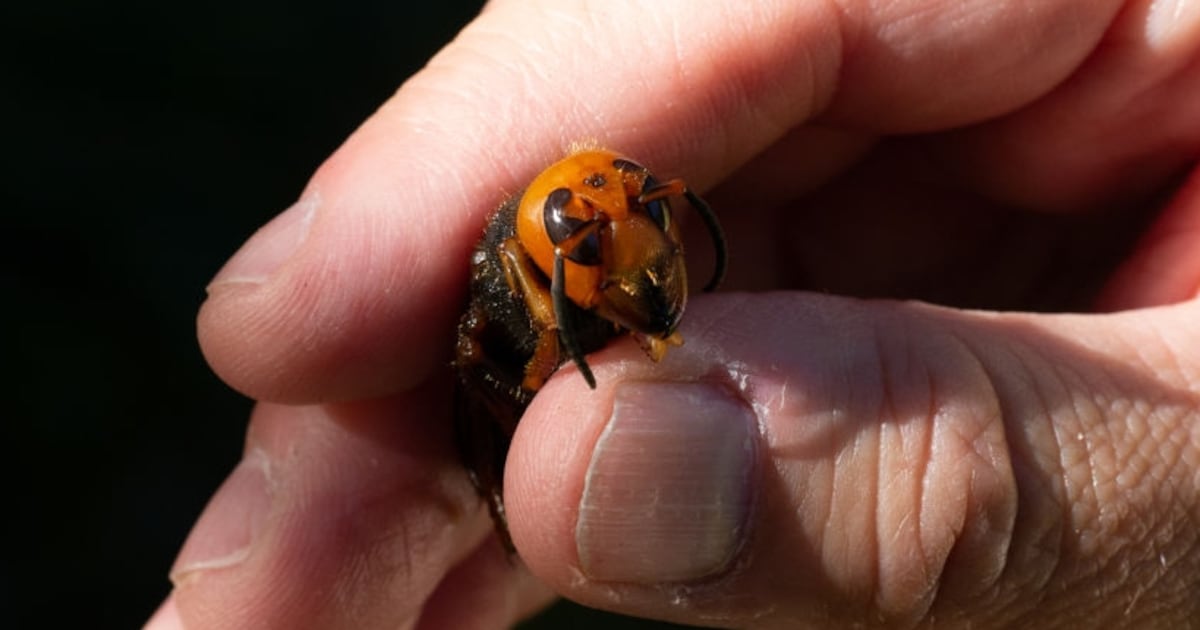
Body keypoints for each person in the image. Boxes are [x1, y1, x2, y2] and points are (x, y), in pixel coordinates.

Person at [146, 0, 1200, 627]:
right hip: (525, 379)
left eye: (637, 202)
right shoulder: (532, 277)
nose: (622, 220)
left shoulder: (611, 213)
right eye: (600, 223)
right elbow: (506, 334)